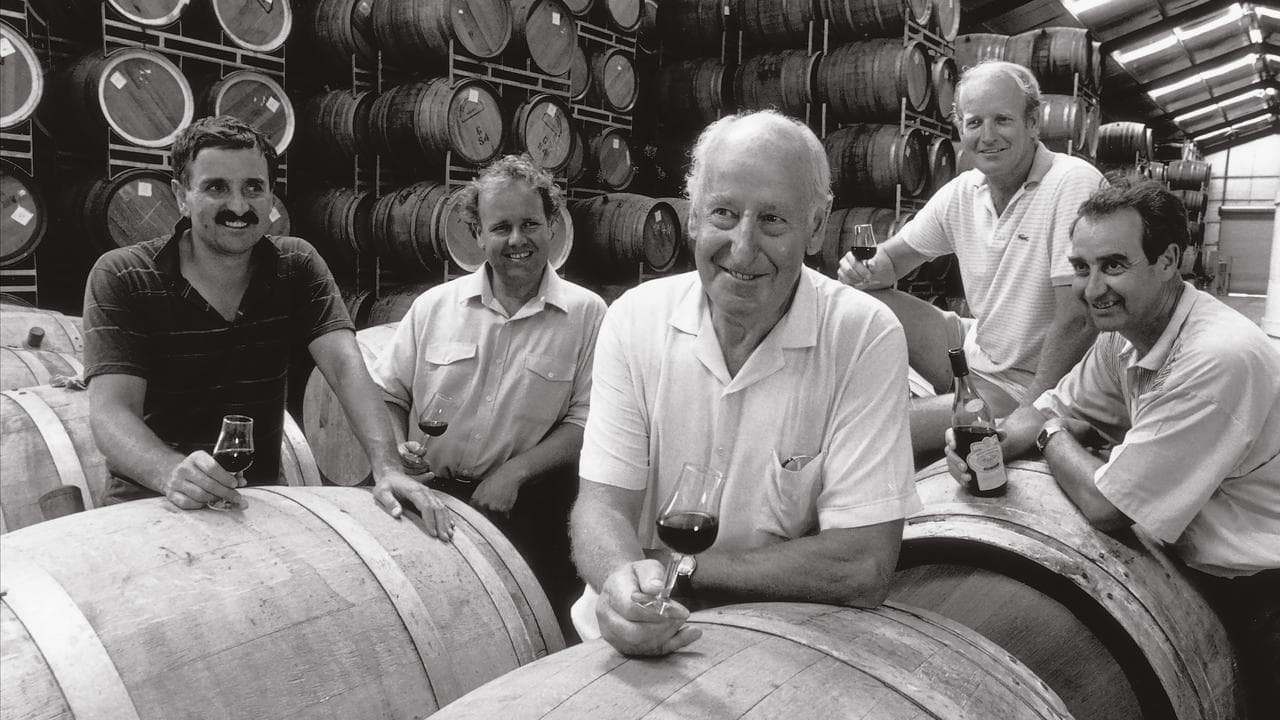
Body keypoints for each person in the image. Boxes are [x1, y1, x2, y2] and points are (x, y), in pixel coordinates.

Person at [570, 110, 921, 657]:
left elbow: (861, 565)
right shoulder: (633, 318)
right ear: (692, 217)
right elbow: (601, 506)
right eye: (724, 214)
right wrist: (619, 582)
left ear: (816, 224)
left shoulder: (863, 335)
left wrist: (679, 568)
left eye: (774, 220)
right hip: (623, 640)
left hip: (777, 646)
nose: (742, 246)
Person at [946, 182, 1280, 713]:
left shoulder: (1217, 355)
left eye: (1114, 266)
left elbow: (1108, 505)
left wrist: (1051, 436)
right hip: (1194, 568)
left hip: (1259, 593)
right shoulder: (1125, 335)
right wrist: (993, 443)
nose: (1091, 288)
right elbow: (1055, 405)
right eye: (1082, 267)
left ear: (1168, 260)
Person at [83, 116, 452, 538]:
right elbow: (111, 412)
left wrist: (386, 466)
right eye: (216, 187)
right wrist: (170, 472)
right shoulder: (124, 274)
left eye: (253, 187)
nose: (239, 206)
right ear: (181, 196)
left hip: (252, 505)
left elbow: (347, 367)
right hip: (150, 506)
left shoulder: (296, 265)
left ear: (270, 195)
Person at [370, 155, 607, 637]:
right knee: (428, 635)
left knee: (530, 640)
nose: (517, 241)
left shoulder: (588, 314)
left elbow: (588, 422)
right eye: (501, 227)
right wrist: (396, 452)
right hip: (430, 502)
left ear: (553, 227)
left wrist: (515, 473)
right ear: (477, 233)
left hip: (531, 513)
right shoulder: (434, 307)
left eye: (530, 224)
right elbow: (388, 394)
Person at [839, 60, 1104, 457]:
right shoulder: (966, 190)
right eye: (974, 122)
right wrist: (863, 269)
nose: (987, 136)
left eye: (1002, 120)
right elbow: (894, 261)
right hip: (972, 348)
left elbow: (1078, 319)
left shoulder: (1071, 182)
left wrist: (1029, 414)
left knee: (877, 429)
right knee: (862, 300)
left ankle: (933, 414)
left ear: (1033, 123)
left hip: (1026, 383)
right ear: (959, 128)